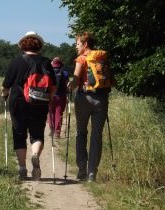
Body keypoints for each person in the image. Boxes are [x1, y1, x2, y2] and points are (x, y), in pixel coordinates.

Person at [1, 31, 57, 180]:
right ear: (39, 46)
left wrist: (4, 94)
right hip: (40, 103)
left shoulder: (16, 61)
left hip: (18, 101)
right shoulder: (46, 62)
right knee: (37, 134)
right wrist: (49, 99)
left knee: (19, 134)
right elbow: (53, 87)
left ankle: (22, 169)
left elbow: (6, 85)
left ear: (23, 45)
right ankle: (34, 155)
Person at [67, 32, 110, 182]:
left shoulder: (82, 58)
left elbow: (77, 78)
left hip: (84, 98)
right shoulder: (101, 58)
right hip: (102, 99)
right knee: (97, 136)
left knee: (81, 133)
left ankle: (82, 169)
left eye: (77, 44)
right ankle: (92, 173)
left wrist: (70, 85)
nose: (76, 46)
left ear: (85, 45)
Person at [48, 57, 69, 139]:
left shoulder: (49, 72)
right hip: (61, 96)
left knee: (50, 113)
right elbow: (67, 85)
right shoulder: (65, 73)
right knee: (59, 113)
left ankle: (51, 129)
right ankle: (57, 132)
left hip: (50, 95)